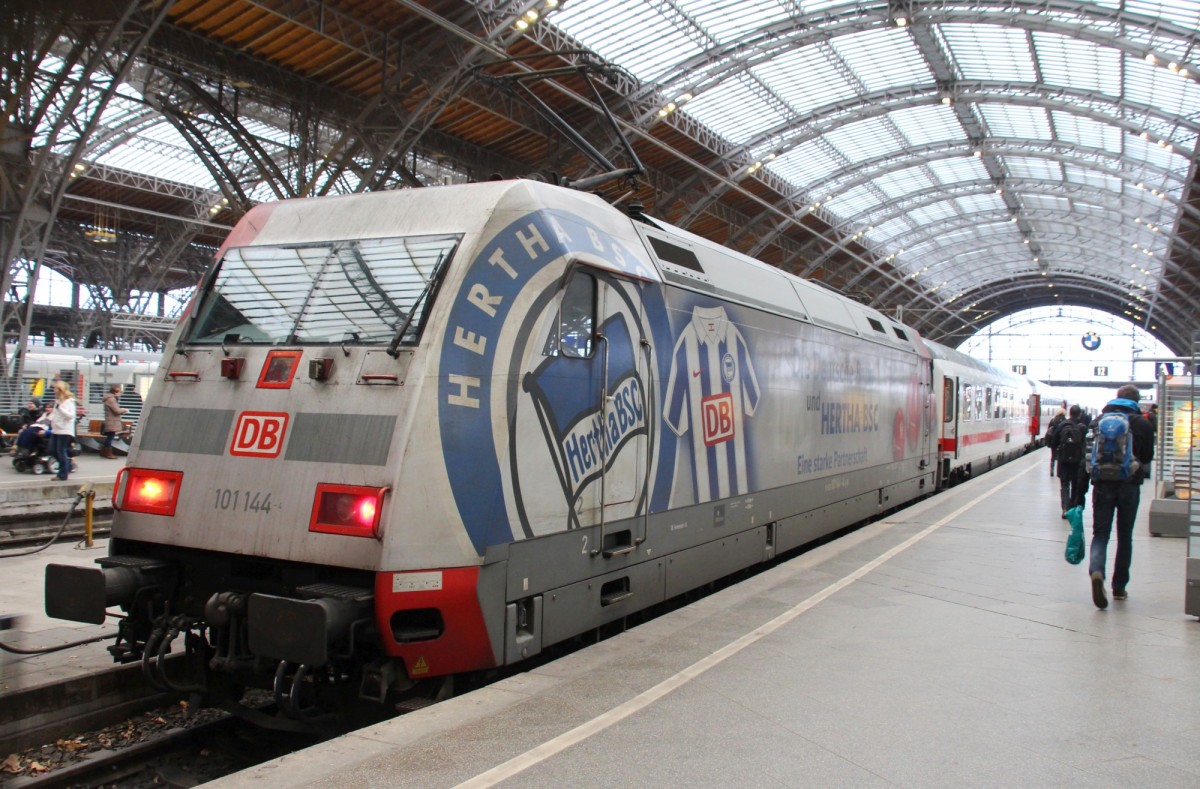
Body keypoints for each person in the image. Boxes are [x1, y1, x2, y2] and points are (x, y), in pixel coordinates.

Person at [1087, 384, 1154, 609]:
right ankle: (1119, 587)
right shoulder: (1142, 423)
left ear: (1117, 398)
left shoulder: (1099, 421)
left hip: (1102, 485)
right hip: (1129, 485)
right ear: (1136, 401)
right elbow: (1147, 457)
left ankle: (1097, 571)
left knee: (1100, 534)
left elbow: (1086, 456)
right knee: (1125, 537)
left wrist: (1077, 495)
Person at [1049, 404, 1087, 518]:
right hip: (1077, 462)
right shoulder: (1083, 427)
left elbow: (1053, 443)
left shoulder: (1062, 425)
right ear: (1080, 414)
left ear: (1069, 413)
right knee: (1075, 485)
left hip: (1063, 461)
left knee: (1065, 485)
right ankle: (1073, 507)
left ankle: (1065, 509)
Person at [48, 380, 77, 481]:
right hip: (56, 429)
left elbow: (70, 416)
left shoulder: (69, 401)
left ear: (60, 390)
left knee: (61, 451)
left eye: (56, 388)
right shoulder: (57, 401)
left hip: (65, 430)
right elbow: (55, 413)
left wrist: (60, 409)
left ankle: (63, 475)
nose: (54, 390)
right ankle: (67, 463)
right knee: (52, 450)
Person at [101, 384, 128, 460]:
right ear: (116, 392)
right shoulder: (111, 399)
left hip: (110, 420)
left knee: (110, 437)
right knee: (110, 437)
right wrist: (124, 410)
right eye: (119, 392)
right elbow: (116, 411)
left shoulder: (110, 398)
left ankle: (104, 451)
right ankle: (108, 453)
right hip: (112, 421)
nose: (120, 394)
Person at [1046, 408, 1066, 476]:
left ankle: (1052, 469)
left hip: (1053, 441)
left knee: (1053, 456)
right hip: (1062, 441)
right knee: (1061, 456)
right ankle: (1059, 471)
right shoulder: (1065, 421)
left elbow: (1048, 430)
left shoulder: (1053, 420)